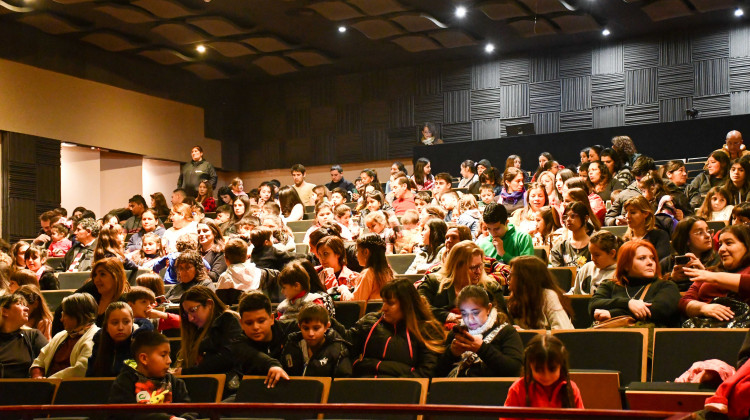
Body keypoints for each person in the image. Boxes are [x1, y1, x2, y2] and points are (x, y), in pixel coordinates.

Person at [339, 279, 446, 377]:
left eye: (390, 303)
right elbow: (345, 347)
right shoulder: (370, 322)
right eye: (384, 301)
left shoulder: (427, 330)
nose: (384, 308)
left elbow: (426, 372)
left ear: (407, 305)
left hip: (402, 391)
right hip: (364, 386)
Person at [435, 285, 522, 377]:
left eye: (475, 313)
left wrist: (482, 349)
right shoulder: (457, 333)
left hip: (493, 389)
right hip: (457, 389)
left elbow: (514, 369)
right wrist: (451, 353)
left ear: (488, 309)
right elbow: (437, 373)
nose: (470, 319)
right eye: (464, 313)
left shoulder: (506, 331)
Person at [107, 331, 197, 420]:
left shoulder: (175, 383)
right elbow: (126, 414)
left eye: (169, 355)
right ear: (144, 358)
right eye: (163, 355)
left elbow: (189, 411)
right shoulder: (124, 382)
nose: (169, 360)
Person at [590, 240, 681, 327]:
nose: (650, 263)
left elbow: (658, 310)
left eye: (652, 258)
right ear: (625, 265)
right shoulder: (609, 285)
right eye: (642, 258)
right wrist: (628, 303)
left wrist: (613, 314)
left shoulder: (666, 286)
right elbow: (594, 305)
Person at [418, 241, 506, 324]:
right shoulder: (433, 282)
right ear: (456, 267)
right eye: (473, 267)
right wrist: (447, 316)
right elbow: (419, 307)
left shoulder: (490, 287)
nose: (478, 271)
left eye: (480, 266)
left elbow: (503, 316)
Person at [681, 225, 750, 321]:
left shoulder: (710, 275)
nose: (721, 249)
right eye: (720, 244)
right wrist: (703, 308)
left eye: (729, 243)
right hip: (707, 327)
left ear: (747, 246)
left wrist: (714, 277)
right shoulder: (710, 272)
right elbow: (684, 302)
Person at [173, 286, 242, 378]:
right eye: (186, 314)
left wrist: (186, 372)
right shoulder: (197, 329)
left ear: (209, 304)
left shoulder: (228, 319)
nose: (190, 318)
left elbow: (227, 358)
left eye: (193, 310)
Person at [504, 334, 583, 412]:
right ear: (530, 365)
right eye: (538, 370)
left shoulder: (571, 389)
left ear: (561, 365)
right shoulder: (517, 389)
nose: (546, 376)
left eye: (552, 370)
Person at [30, 292, 100, 378]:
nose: (61, 319)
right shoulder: (60, 335)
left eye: (65, 315)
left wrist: (47, 382)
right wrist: (38, 377)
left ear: (78, 316)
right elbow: (39, 361)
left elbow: (79, 370)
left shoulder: (96, 337)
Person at [231, 292, 293, 386]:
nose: (255, 327)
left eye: (261, 321)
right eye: (249, 323)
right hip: (254, 391)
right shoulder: (238, 342)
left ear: (272, 318)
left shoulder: (291, 329)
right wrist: (273, 365)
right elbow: (256, 356)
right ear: (241, 323)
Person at [280, 304, 352, 377]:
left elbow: (343, 382)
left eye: (316, 328)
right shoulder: (292, 343)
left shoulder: (338, 349)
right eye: (306, 328)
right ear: (299, 326)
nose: (311, 334)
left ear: (326, 327)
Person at [507, 256, 574, 330]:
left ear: (525, 278)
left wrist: (527, 334)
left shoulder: (548, 296)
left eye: (511, 274)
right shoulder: (515, 298)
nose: (508, 278)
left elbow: (562, 332)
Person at [661, 216, 720, 291]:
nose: (708, 236)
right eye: (700, 233)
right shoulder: (667, 263)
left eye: (708, 231)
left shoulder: (717, 260)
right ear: (686, 239)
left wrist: (704, 274)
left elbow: (721, 291)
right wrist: (671, 279)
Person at [0, 293, 48, 378]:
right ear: (4, 311)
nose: (26, 308)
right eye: (19, 304)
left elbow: (49, 360)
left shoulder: (33, 336)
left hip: (24, 389)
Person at [337, 234, 393, 302]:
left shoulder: (368, 273)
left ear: (366, 252)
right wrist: (357, 281)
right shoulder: (388, 271)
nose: (356, 254)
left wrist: (343, 290)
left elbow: (355, 302)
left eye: (357, 251)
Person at [86, 301, 137, 377]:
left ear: (132, 323)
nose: (120, 327)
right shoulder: (99, 342)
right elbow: (90, 378)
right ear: (106, 326)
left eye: (126, 322)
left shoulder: (139, 344)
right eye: (115, 323)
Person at [569, 230, 621, 295]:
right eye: (591, 254)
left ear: (612, 253)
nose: (592, 258)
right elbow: (575, 293)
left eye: (597, 255)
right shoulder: (586, 268)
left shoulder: (620, 275)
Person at [622, 196, 672, 261]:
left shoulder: (660, 236)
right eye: (626, 212)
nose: (627, 216)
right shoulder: (625, 240)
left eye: (633, 212)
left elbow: (661, 263)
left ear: (645, 213)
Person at [550, 202, 592, 268]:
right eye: (565, 217)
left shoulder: (595, 246)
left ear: (585, 218)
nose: (568, 220)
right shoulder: (559, 247)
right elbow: (558, 273)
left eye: (573, 216)